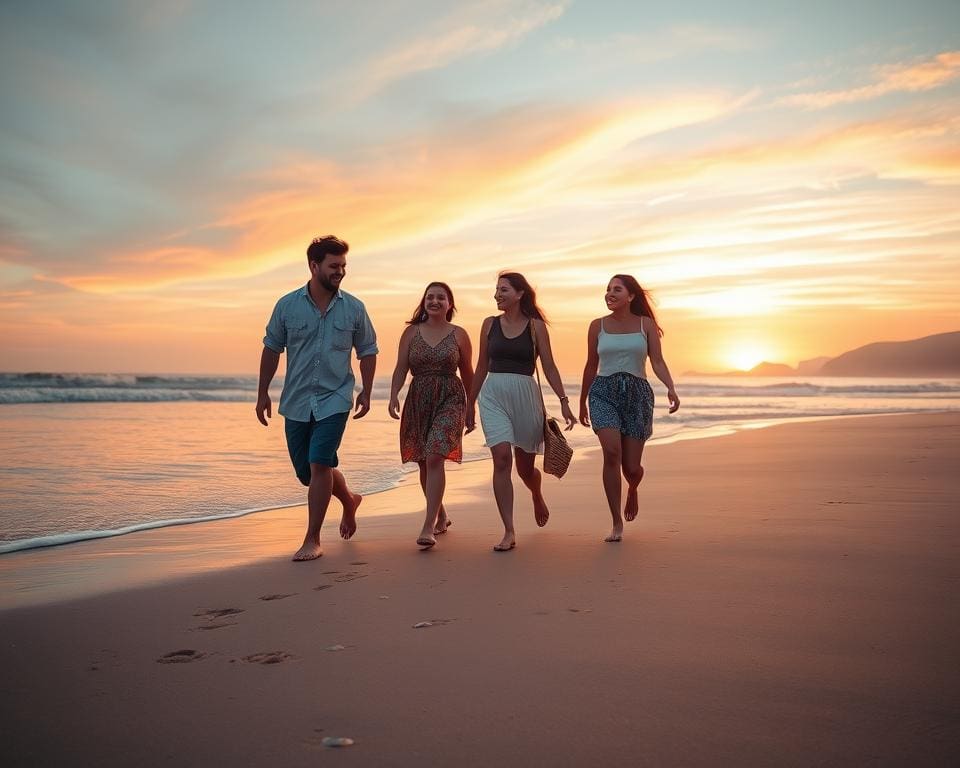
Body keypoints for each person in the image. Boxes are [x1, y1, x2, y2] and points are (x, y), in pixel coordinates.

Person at [256, 235, 378, 561]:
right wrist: (262, 393)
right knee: (307, 474)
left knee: (321, 461)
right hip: (296, 400)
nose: (340, 272)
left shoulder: (354, 308)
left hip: (336, 396)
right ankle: (349, 499)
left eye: (343, 266)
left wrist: (366, 389)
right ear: (314, 266)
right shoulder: (287, 305)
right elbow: (272, 348)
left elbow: (367, 350)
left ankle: (312, 539)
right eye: (333, 266)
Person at [467, 272, 576, 552]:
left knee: (525, 469)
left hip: (526, 398)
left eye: (503, 290)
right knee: (502, 459)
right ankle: (509, 530)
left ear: (519, 293)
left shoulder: (536, 327)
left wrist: (563, 400)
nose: (497, 295)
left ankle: (536, 493)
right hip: (493, 396)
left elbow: (549, 366)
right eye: (496, 290)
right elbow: (481, 366)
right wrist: (470, 403)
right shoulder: (488, 325)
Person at [579, 274, 679, 543]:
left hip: (637, 395)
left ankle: (632, 487)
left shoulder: (645, 325)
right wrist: (581, 401)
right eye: (608, 289)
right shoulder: (596, 326)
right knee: (611, 453)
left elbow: (657, 361)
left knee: (631, 467)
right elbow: (591, 365)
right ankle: (616, 522)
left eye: (617, 289)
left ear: (631, 296)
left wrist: (670, 387)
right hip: (603, 392)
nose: (610, 293)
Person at [389, 282, 474, 549]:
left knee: (436, 454)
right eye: (430, 297)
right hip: (418, 398)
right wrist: (393, 395)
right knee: (424, 462)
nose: (434, 301)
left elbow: (469, 373)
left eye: (441, 297)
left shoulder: (459, 334)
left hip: (450, 396)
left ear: (450, 304)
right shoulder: (411, 333)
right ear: (424, 301)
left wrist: (472, 407)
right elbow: (401, 367)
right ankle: (441, 515)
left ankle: (428, 526)